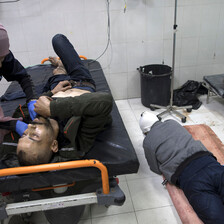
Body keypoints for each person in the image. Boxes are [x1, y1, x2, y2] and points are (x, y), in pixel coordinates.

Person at [0, 34, 113, 166]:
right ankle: (60, 65)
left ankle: (59, 68)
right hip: (82, 81)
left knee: (57, 54)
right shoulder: (75, 139)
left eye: (24, 134)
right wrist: (52, 108)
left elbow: (23, 111)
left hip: (56, 87)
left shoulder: (36, 120)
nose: (29, 127)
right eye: (34, 136)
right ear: (54, 145)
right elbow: (104, 101)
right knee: (59, 41)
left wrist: (52, 92)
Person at [139, 111, 224, 224]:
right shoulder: (172, 123)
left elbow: (155, 168)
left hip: (191, 178)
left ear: (146, 132)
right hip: (209, 163)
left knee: (216, 218)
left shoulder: (148, 141)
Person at [0, 24, 37, 119]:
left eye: (2, 59)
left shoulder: (4, 55)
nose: (1, 65)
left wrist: (32, 99)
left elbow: (23, 76)